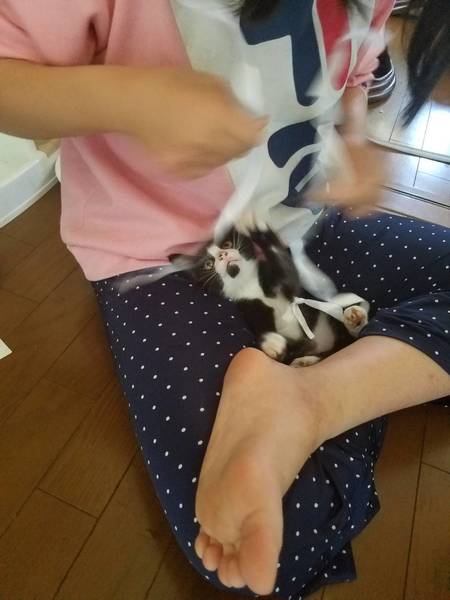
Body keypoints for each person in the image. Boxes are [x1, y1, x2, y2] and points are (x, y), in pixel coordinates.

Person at [0, 0, 449, 598]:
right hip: (161, 255)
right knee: (265, 542)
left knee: (256, 524)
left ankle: (313, 394)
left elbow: (357, 66)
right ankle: (340, 359)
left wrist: (354, 137)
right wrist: (132, 99)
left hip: (299, 224)